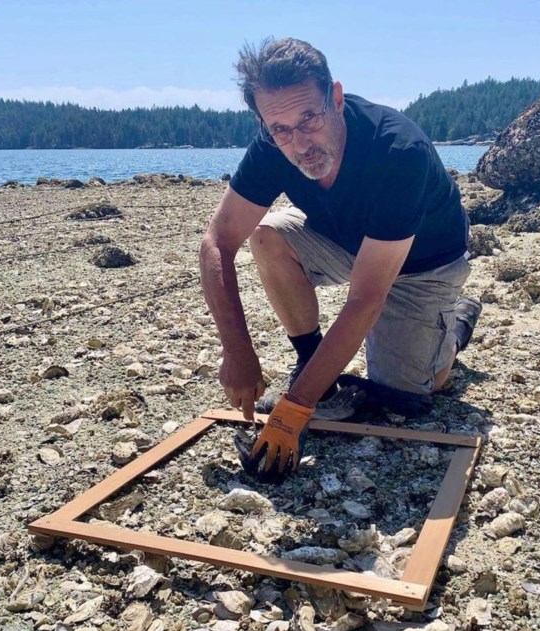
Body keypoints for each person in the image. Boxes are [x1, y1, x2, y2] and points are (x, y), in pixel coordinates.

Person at [198, 37, 481, 483]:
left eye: (309, 118)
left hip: (424, 264)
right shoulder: (274, 146)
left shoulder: (397, 151)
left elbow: (366, 297)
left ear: (335, 97)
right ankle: (314, 364)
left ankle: (454, 326)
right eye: (281, 129)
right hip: (347, 241)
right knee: (268, 234)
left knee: (403, 394)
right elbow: (217, 241)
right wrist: (237, 353)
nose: (299, 141)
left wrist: (295, 409)